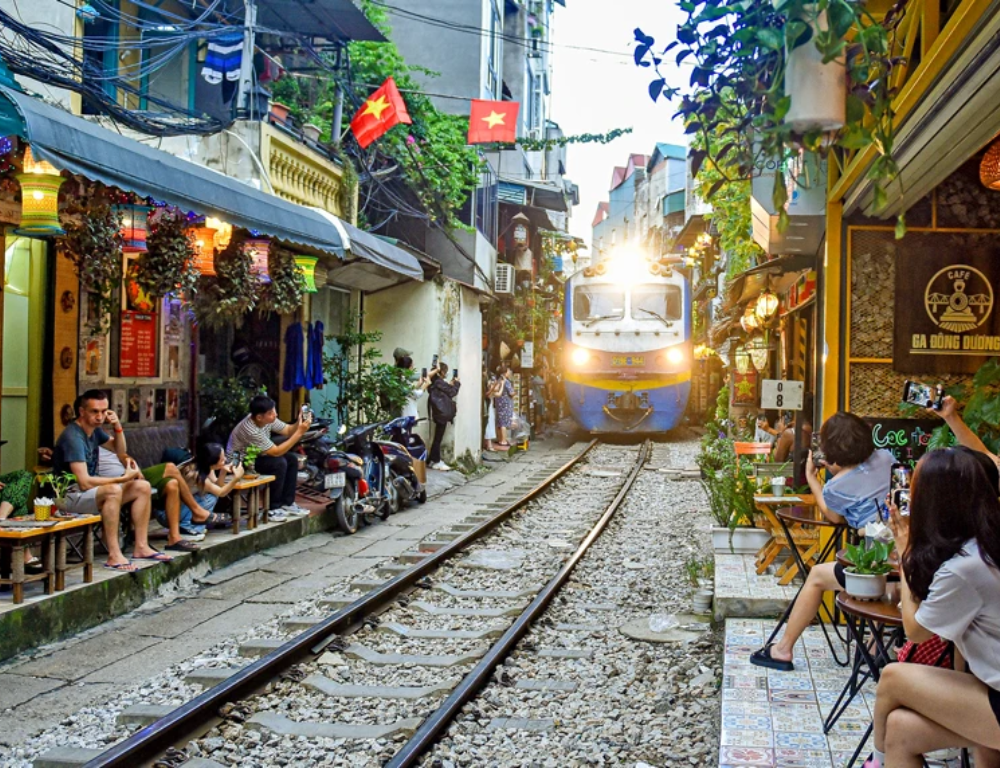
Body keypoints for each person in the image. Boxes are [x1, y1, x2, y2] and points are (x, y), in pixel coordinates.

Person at [866, 447, 1000, 768]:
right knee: (899, 730)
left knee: (893, 676)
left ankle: (876, 764)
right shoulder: (983, 545)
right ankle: (882, 759)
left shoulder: (966, 568)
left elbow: (915, 632)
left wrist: (906, 550)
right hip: (989, 686)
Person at [750, 411, 894, 670]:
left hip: (877, 563)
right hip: (904, 554)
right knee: (886, 580)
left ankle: (783, 649)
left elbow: (834, 516)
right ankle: (874, 646)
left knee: (816, 576)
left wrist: (814, 480)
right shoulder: (886, 457)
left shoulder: (836, 486)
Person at [53, 390, 166, 571]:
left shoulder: (94, 431)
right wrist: (123, 478)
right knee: (113, 490)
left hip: (88, 494)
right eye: (94, 411)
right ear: (81, 412)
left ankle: (141, 546)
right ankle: (114, 554)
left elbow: (119, 450)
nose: (100, 416)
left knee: (142, 487)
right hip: (68, 496)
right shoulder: (73, 437)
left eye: (104, 411)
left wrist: (118, 427)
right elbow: (83, 482)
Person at [227, 395, 312, 521]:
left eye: (274, 411)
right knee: (279, 463)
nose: (275, 414)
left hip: (255, 456)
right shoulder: (250, 429)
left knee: (292, 459)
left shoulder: (266, 419)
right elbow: (276, 452)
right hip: (239, 462)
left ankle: (287, 503)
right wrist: (300, 432)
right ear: (259, 417)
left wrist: (299, 422)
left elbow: (288, 430)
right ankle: (273, 508)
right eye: (271, 413)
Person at [427, 364, 460, 471]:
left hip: (437, 412)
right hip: (442, 413)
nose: (446, 373)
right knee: (438, 438)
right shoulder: (439, 382)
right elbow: (452, 392)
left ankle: (432, 459)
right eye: (445, 371)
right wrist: (457, 384)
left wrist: (450, 384)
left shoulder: (434, 382)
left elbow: (445, 389)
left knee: (437, 437)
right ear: (441, 372)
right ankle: (436, 461)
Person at [396, 355, 429, 420]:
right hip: (408, 412)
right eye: (411, 366)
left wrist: (419, 384)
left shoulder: (400, 378)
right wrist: (425, 385)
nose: (412, 368)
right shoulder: (404, 380)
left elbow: (409, 392)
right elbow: (416, 394)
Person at [494, 364, 514, 448]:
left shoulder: (499, 380)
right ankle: (503, 441)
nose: (510, 372)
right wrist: (514, 393)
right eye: (508, 371)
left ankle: (499, 439)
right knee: (504, 423)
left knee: (499, 422)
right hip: (505, 404)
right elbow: (511, 393)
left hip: (499, 403)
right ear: (505, 373)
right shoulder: (506, 381)